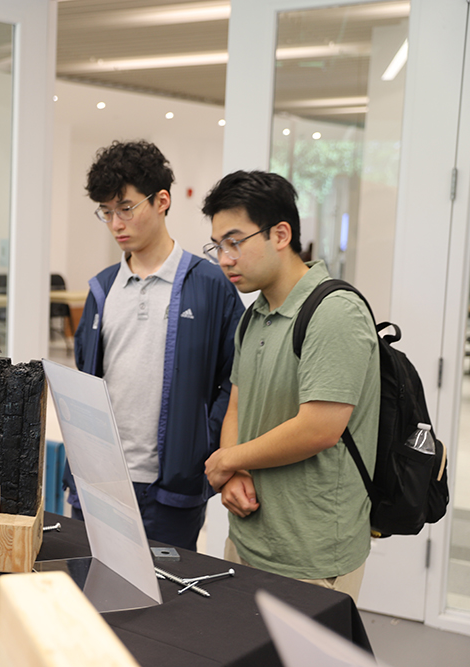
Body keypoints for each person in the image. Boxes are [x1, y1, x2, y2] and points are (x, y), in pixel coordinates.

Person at [201, 170, 379, 602]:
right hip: (248, 536)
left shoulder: (334, 312)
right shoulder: (254, 315)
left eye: (235, 241)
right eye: (217, 245)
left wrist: (227, 459)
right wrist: (235, 473)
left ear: (280, 234)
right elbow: (238, 407)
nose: (224, 258)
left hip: (311, 552)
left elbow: (319, 428)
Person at [68, 140, 244, 551]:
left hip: (173, 490)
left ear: (162, 201)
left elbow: (235, 380)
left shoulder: (210, 286)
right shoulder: (102, 289)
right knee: (94, 601)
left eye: (126, 208)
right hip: (100, 479)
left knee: (166, 606)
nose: (116, 223)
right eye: (106, 212)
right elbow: (85, 377)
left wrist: (204, 445)